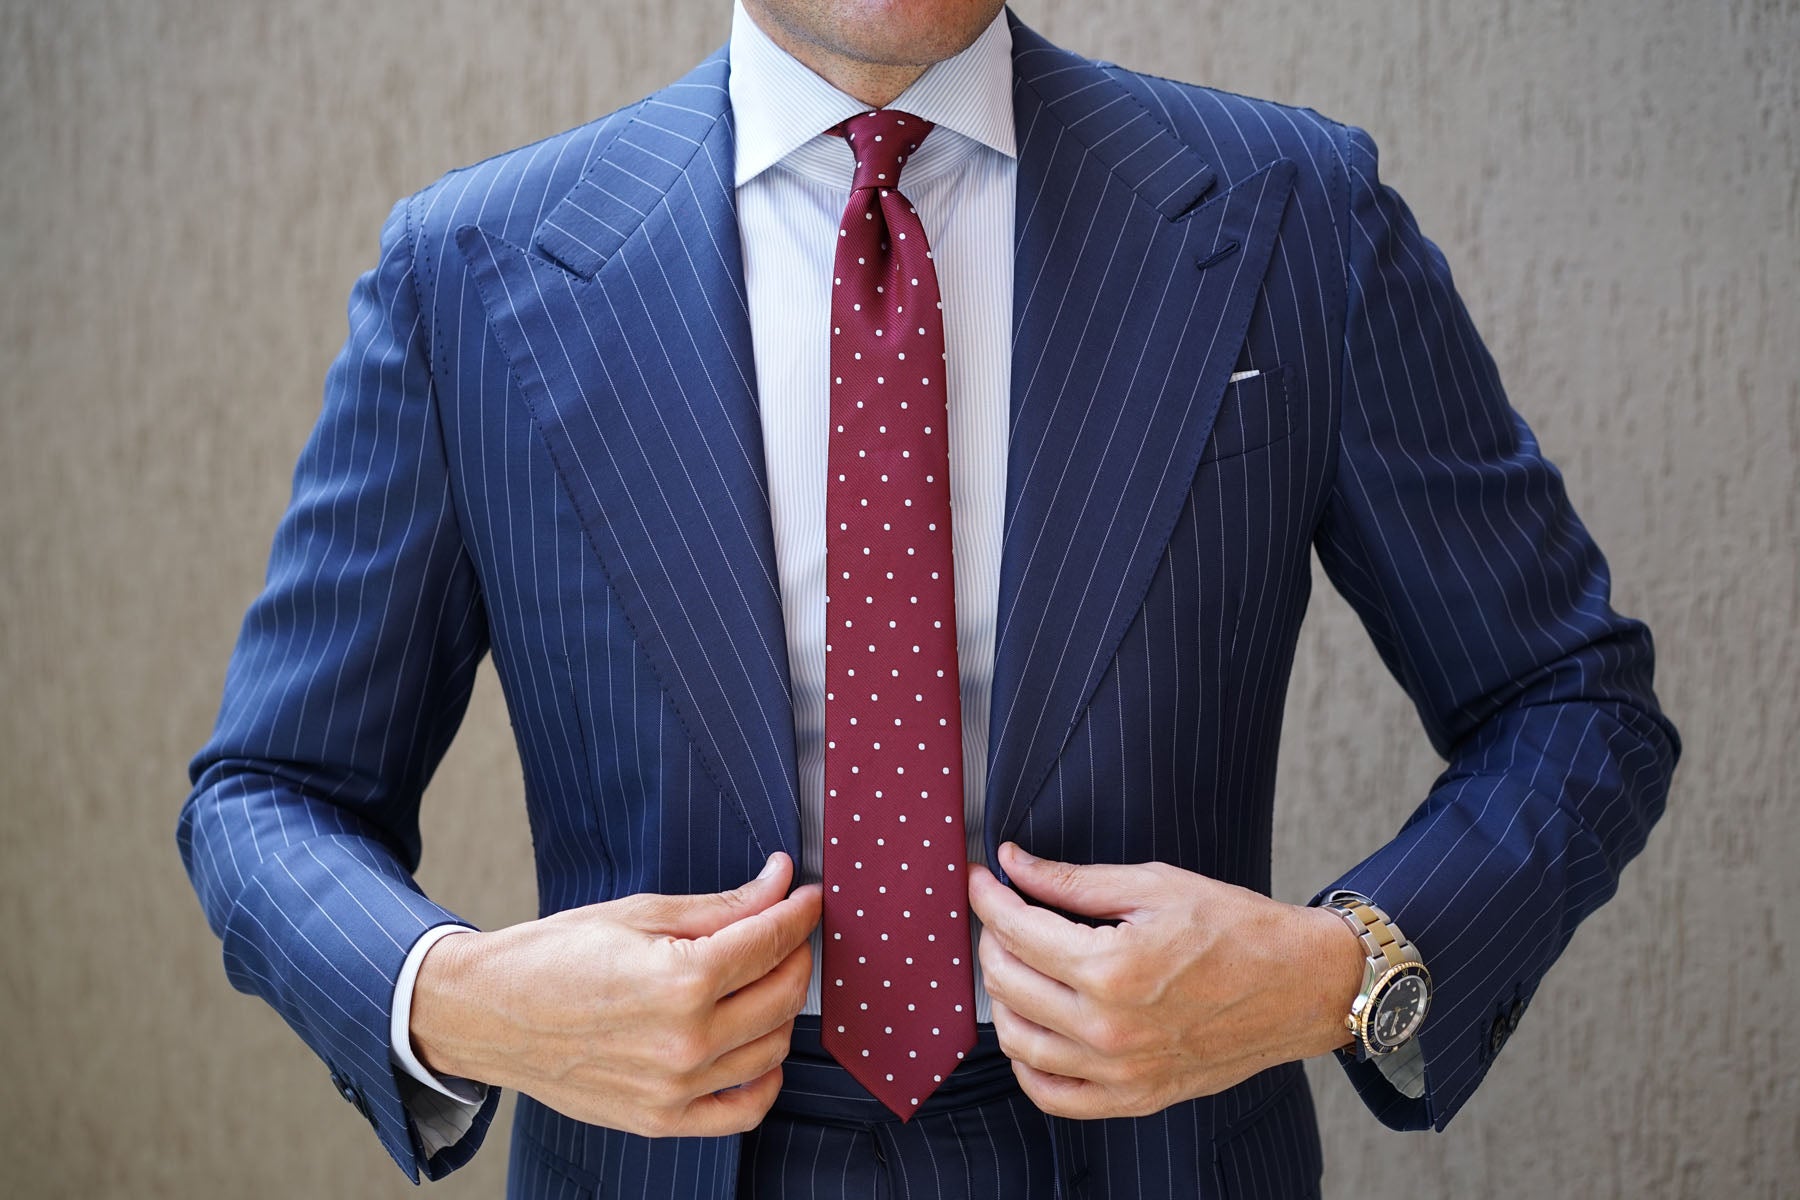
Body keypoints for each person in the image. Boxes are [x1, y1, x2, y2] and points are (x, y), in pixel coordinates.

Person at [177, 1, 1679, 1196]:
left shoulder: (1295, 217)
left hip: (1158, 1156)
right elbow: (268, 792)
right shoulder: (470, 271)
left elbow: (1570, 702)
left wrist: (1336, 974)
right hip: (653, 1167)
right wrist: (462, 999)